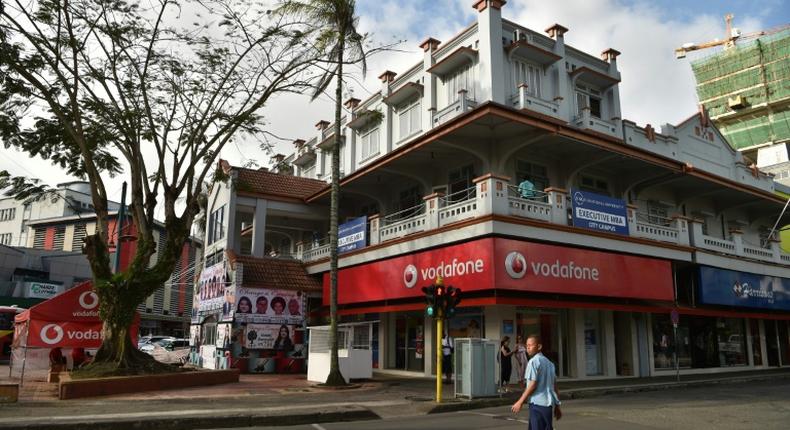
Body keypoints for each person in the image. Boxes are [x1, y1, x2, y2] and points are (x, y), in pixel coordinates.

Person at [511, 335, 561, 430]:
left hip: (537, 405)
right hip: (548, 406)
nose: (528, 347)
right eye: (527, 345)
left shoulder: (533, 362)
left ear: (539, 347)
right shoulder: (550, 363)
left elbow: (532, 385)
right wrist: (557, 406)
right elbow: (554, 387)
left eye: (531, 345)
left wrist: (520, 402)